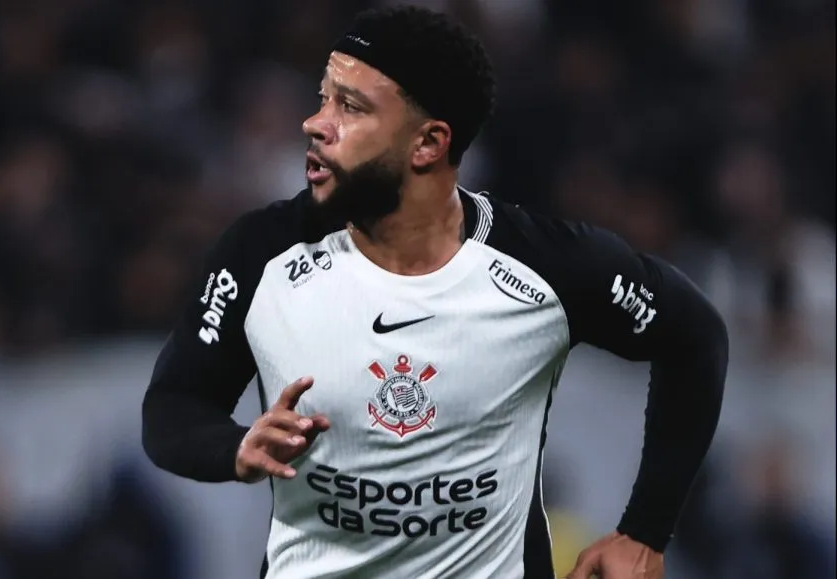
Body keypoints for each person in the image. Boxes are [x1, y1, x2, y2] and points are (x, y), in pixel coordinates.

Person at [142, 6, 728, 579]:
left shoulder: (545, 268)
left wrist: (645, 533)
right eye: (324, 98)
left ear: (427, 144)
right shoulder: (260, 254)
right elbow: (173, 408)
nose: (316, 123)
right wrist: (235, 448)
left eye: (350, 107)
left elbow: (695, 336)